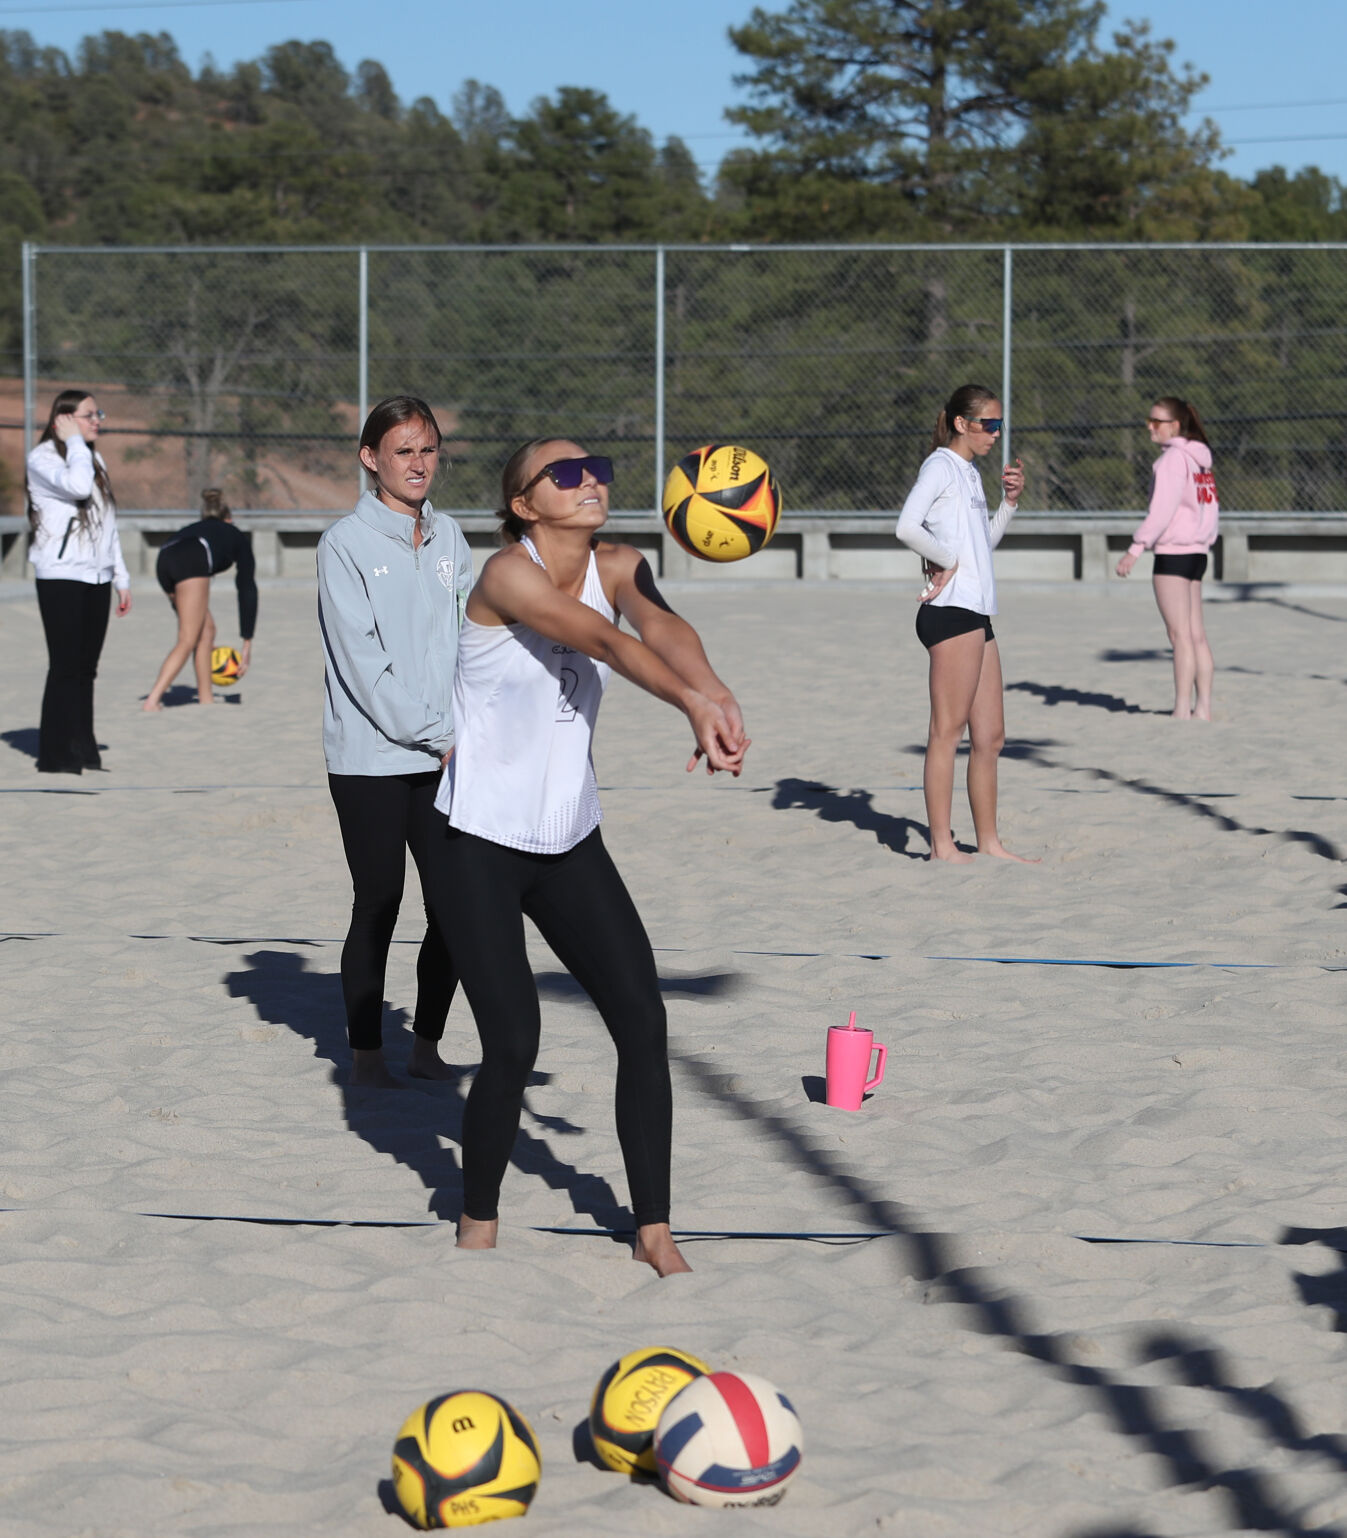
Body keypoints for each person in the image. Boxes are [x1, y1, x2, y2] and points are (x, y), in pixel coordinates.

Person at [425, 437, 748, 1277]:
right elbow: (600, 644)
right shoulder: (506, 576)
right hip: (476, 841)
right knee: (514, 1044)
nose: (591, 481)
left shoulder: (618, 563)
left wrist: (712, 689)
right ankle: (478, 1219)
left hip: (569, 837)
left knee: (643, 1021)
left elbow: (660, 625)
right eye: (564, 475)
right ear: (525, 504)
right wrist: (685, 706)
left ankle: (652, 1230)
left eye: (595, 465)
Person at [317, 397, 473, 1088]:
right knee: (378, 898)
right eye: (403, 450)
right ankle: (367, 1054)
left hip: (444, 754)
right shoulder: (343, 544)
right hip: (370, 759)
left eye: (428, 449)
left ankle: (427, 1046)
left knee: (455, 906)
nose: (418, 463)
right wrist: (438, 734)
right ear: (370, 457)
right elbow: (364, 666)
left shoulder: (451, 540)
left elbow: (476, 641)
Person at [895, 383, 1036, 865]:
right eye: (988, 424)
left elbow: (982, 544)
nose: (996, 433)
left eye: (1000, 425)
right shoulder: (940, 466)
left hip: (977, 613)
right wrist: (945, 557)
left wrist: (1009, 504)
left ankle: (989, 843)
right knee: (946, 733)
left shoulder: (970, 473)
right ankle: (941, 846)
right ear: (961, 424)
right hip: (950, 613)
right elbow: (906, 526)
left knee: (991, 736)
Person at [25, 389, 132, 774]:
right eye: (88, 415)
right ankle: (55, 755)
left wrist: (120, 576)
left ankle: (83, 748)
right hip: (61, 577)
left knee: (87, 666)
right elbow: (78, 487)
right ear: (63, 420)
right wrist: (73, 441)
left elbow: (107, 522)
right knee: (65, 665)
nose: (97, 420)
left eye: (97, 413)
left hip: (96, 576)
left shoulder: (93, 457)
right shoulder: (42, 459)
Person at [1115, 397, 1219, 720]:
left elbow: (1162, 511)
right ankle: (1202, 708)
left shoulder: (1174, 459)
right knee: (1195, 633)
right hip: (1197, 552)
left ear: (1174, 426)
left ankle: (1181, 708)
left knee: (1180, 635)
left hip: (1175, 552)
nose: (1150, 426)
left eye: (1156, 421)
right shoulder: (1200, 458)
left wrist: (1136, 548)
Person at [142, 488, 258, 710]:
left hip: (164, 558)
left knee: (206, 632)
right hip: (192, 557)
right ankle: (153, 699)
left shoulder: (194, 528)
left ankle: (206, 698)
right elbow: (246, 587)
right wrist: (247, 641)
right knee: (187, 639)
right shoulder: (235, 535)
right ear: (229, 519)